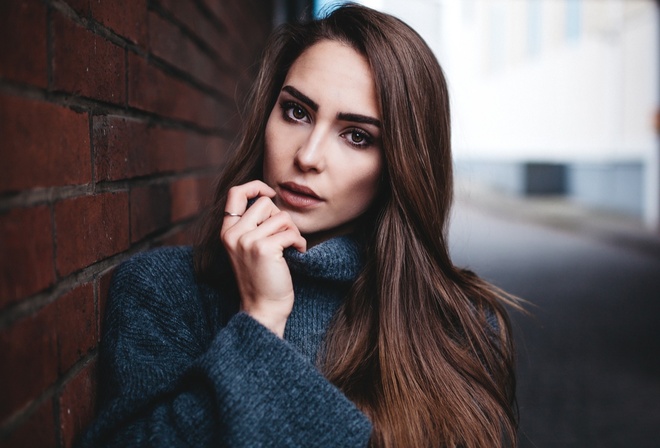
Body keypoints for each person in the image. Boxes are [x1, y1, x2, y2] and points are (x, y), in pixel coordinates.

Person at [80, 3, 520, 447]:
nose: (308, 157)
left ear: (399, 165)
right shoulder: (165, 291)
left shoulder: (459, 322)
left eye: (357, 136)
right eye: (297, 112)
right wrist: (260, 322)